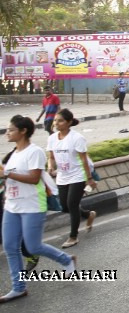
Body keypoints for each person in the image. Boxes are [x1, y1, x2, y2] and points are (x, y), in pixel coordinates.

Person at [1, 115, 77, 302]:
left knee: (33, 246)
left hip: (32, 206)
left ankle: (66, 260)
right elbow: (9, 177)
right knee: (10, 247)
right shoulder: (12, 154)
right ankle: (19, 287)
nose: (7, 133)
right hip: (12, 206)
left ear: (23, 131)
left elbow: (34, 178)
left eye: (11, 130)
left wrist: (7, 173)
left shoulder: (34, 152)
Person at [45, 109, 97, 248]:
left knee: (72, 204)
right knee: (64, 206)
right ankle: (88, 214)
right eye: (55, 120)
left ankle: (73, 237)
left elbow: (84, 160)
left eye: (60, 120)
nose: (56, 123)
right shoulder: (52, 138)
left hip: (77, 175)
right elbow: (50, 157)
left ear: (68, 122)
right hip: (62, 176)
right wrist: (50, 166)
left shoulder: (77, 138)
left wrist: (89, 178)